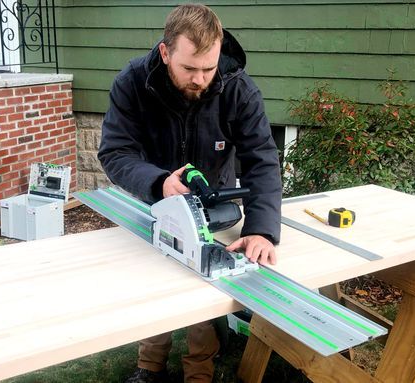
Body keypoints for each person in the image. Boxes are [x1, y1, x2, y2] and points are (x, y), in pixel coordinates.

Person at [97, 3, 282, 382]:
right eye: (189, 69)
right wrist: (158, 181)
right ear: (165, 53)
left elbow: (262, 159)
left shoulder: (237, 88)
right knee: (155, 284)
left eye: (208, 68)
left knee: (206, 282)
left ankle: (199, 372)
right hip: (156, 200)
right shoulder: (133, 82)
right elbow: (116, 152)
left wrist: (261, 229)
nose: (200, 79)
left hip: (214, 205)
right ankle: (149, 366)